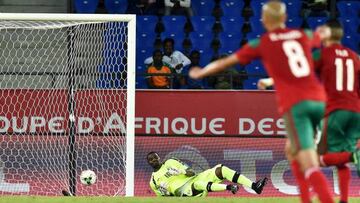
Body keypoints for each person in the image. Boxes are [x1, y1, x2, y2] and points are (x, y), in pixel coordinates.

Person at [189, 1, 334, 203]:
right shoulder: (302, 35)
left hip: (297, 105)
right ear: (284, 18)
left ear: (264, 20)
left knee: (309, 163)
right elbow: (325, 35)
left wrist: (201, 72)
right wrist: (324, 32)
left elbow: (227, 62)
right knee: (291, 150)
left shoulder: (263, 43)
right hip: (320, 99)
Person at [313, 20, 360, 203]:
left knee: (318, 159)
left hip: (336, 111)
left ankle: (354, 155)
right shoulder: (354, 56)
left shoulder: (323, 54)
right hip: (356, 112)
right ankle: (344, 200)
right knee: (341, 161)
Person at [147, 151, 268, 197]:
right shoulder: (153, 182)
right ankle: (228, 188)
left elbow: (191, 172)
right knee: (197, 184)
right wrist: (168, 191)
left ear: (159, 157)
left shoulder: (171, 161)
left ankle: (254, 186)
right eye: (151, 160)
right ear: (148, 163)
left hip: (194, 179)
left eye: (155, 158)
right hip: (183, 191)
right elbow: (165, 198)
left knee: (221, 169)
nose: (154, 160)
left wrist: (181, 171)